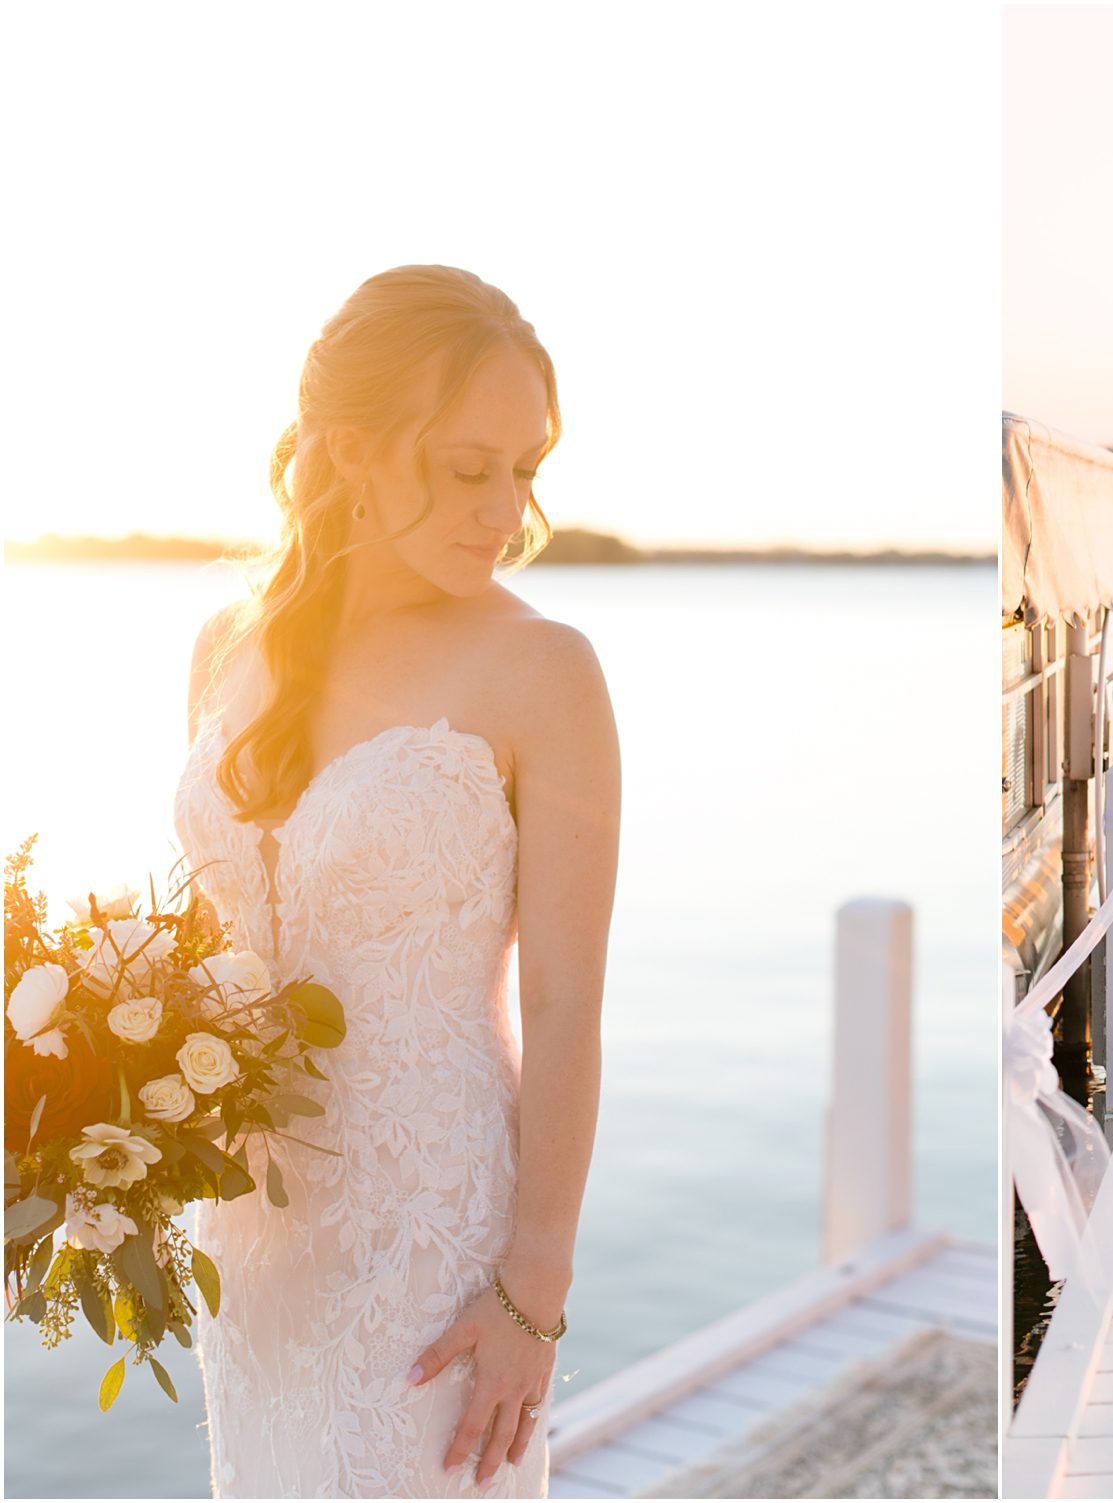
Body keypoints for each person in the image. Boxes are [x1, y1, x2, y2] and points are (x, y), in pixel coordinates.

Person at [173, 265, 620, 1496]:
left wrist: (533, 1293)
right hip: (250, 1232)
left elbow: (567, 1006)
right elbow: (208, 951)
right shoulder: (224, 648)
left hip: (432, 1240)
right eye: (468, 468)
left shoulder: (544, 671)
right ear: (350, 451)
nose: (506, 510)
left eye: (523, 469)